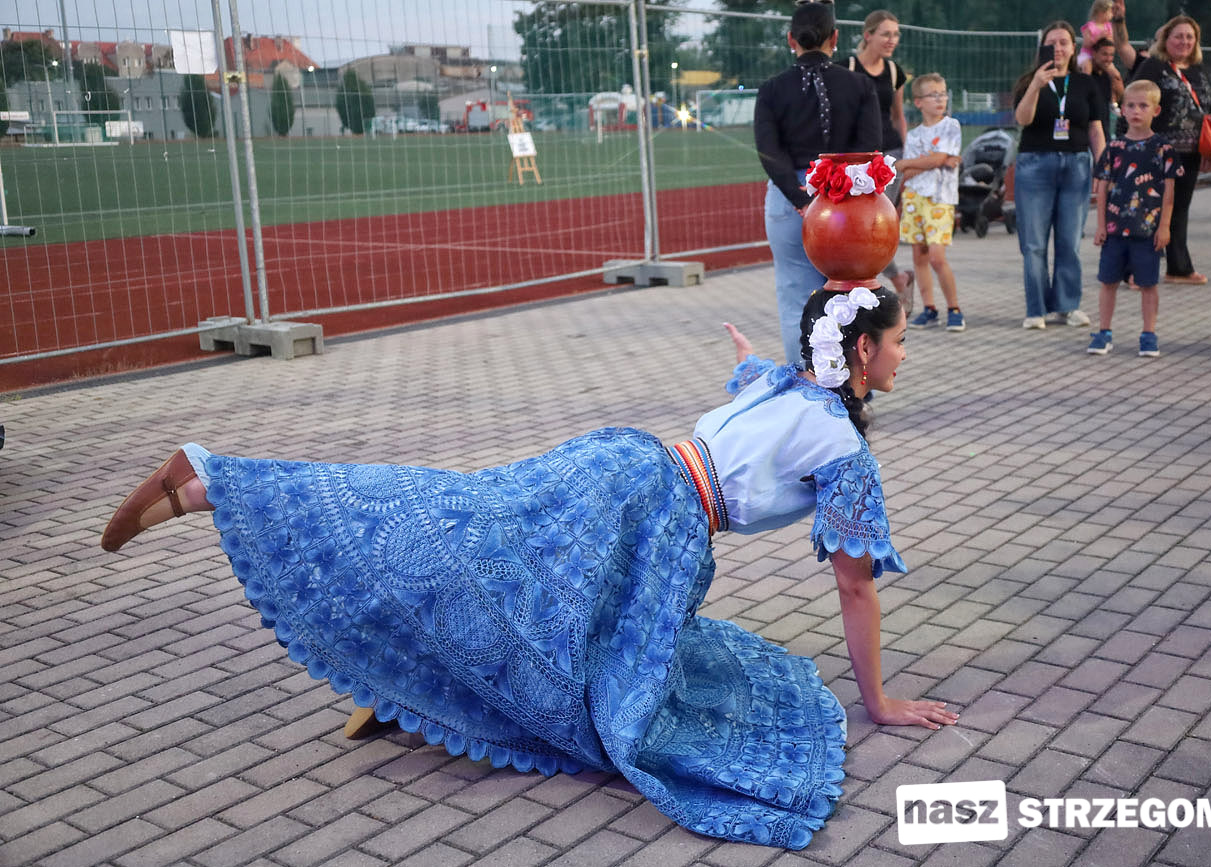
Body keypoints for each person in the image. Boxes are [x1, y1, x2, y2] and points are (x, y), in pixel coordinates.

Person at [99, 281, 959, 849]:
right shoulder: (842, 447)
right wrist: (879, 703)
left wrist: (743, 353)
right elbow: (855, 587)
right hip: (662, 521)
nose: (905, 353)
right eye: (897, 341)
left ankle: (226, 483)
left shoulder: (787, 384)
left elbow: (754, 379)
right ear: (859, 353)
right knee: (580, 665)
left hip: (628, 459)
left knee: (468, 519)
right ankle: (223, 488)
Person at [756, 3, 882, 365]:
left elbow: (768, 152)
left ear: (791, 40)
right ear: (835, 38)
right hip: (846, 199)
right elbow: (870, 148)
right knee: (850, 295)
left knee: (796, 296)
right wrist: (837, 187)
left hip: (790, 199)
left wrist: (800, 199)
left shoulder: (772, 90)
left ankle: (807, 381)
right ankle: (854, 383)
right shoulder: (860, 85)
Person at [1013, 21, 1107, 330]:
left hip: (1076, 165)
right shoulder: (1029, 81)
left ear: (1073, 48)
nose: (1058, 48)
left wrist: (1103, 166)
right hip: (1035, 165)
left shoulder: (1085, 84)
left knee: (1069, 239)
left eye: (1063, 42)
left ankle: (1068, 305)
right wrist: (1036, 85)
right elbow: (1022, 119)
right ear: (1042, 47)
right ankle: (1036, 309)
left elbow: (1095, 129)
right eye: (1051, 43)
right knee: (1034, 243)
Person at [1086, 80, 1182, 358]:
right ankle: (1104, 332)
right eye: (1130, 105)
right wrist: (1101, 225)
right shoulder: (1114, 147)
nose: (1136, 111)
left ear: (1156, 110)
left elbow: (1169, 192)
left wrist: (1164, 227)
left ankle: (1148, 334)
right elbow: (1102, 188)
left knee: (1148, 284)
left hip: (1148, 232)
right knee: (1108, 281)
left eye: (1143, 105)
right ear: (1122, 110)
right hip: (1115, 230)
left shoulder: (1163, 149)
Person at [1129, 15, 1211, 285]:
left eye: (1190, 37)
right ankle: (1133, 269)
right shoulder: (1154, 67)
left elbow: (1209, 108)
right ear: (1166, 39)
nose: (1184, 41)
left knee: (1179, 210)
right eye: (1178, 36)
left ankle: (1179, 268)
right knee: (1149, 208)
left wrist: (1210, 148)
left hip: (1191, 152)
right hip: (1158, 151)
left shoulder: (1198, 69)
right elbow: (1134, 101)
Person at [839, 9, 916, 303]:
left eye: (896, 35)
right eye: (886, 34)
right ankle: (897, 278)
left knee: (873, 225)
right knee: (856, 226)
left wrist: (907, 156)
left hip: (890, 156)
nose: (892, 40)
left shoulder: (894, 72)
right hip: (855, 158)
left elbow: (898, 116)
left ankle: (870, 289)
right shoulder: (846, 67)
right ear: (868, 35)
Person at [896, 73, 965, 331]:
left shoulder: (951, 126)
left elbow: (933, 160)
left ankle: (954, 308)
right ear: (918, 102)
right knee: (920, 257)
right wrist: (934, 160)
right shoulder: (914, 136)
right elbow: (910, 172)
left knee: (937, 257)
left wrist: (913, 162)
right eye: (933, 95)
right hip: (914, 198)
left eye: (943, 94)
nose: (940, 99)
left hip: (939, 199)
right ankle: (929, 309)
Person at [1088, 37, 1125, 141]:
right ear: (1094, 54)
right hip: (1087, 134)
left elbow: (1121, 97)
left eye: (1111, 55)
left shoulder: (1109, 75)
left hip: (1104, 133)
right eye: (1104, 54)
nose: (1108, 59)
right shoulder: (1086, 74)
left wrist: (1117, 77)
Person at [1078, 0, 1115, 75]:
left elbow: (1112, 43)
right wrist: (1098, 37)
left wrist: (1109, 39)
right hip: (1087, 55)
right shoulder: (1089, 26)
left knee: (1114, 73)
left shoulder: (1108, 26)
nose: (1113, 15)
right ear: (1101, 12)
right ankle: (1086, 81)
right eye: (1110, 12)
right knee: (1087, 68)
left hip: (1102, 57)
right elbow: (1086, 44)